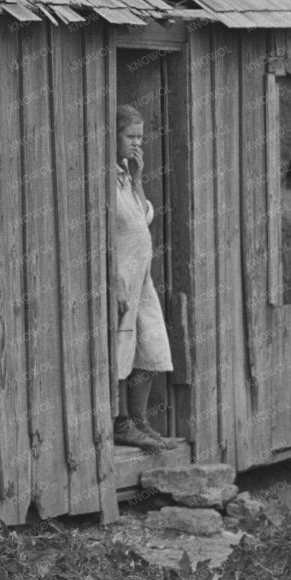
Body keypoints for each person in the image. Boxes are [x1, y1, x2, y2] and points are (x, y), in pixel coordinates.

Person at [111, 103, 178, 450]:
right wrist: (113, 278)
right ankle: (121, 423)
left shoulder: (125, 177)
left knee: (151, 341)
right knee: (122, 345)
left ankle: (139, 420)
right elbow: (101, 232)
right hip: (121, 277)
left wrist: (137, 179)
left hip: (142, 276)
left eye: (140, 137)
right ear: (113, 136)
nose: (137, 143)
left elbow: (143, 216)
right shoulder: (103, 179)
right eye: (130, 136)